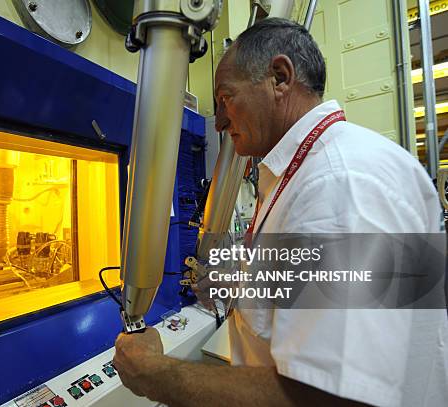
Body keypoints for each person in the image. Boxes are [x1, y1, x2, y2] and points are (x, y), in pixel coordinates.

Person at [113, 18, 447, 407]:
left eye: (225, 99)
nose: (219, 121)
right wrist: (241, 286)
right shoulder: (309, 172)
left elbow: (329, 397)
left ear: (280, 77)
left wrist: (155, 373)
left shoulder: (340, 184)